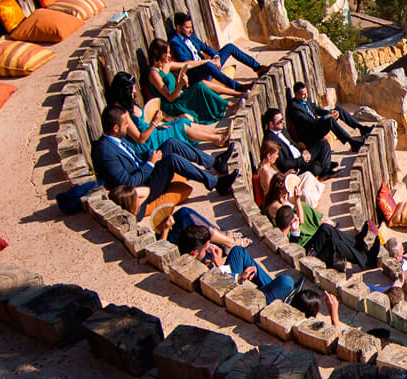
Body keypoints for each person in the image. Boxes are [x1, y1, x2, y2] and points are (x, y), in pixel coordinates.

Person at [94, 105, 235, 207]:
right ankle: (216, 183)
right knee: (171, 160)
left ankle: (215, 163)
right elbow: (129, 183)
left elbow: (134, 157)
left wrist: (150, 156)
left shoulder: (115, 139)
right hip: (145, 186)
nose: (128, 128)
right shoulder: (106, 153)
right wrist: (150, 164)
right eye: (125, 124)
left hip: (144, 169)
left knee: (171, 143)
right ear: (116, 128)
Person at [171, 223, 309, 307]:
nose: (210, 249)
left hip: (225, 283)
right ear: (195, 252)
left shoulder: (188, 259)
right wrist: (235, 275)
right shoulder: (195, 269)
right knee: (286, 281)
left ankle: (274, 289)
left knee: (238, 251)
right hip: (236, 299)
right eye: (206, 248)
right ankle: (279, 294)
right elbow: (219, 287)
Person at [168, 12, 265, 91]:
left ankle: (258, 68)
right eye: (187, 27)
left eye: (191, 27)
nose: (191, 30)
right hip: (196, 73)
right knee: (208, 65)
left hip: (208, 65)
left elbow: (205, 47)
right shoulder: (175, 42)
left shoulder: (190, 35)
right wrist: (209, 62)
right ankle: (239, 87)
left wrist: (216, 57)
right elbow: (188, 64)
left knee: (229, 47)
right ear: (178, 27)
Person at [147, 38, 233, 124]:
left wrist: (207, 61)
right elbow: (169, 98)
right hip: (171, 105)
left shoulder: (166, 65)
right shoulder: (154, 74)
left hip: (179, 96)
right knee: (199, 86)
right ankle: (229, 105)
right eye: (166, 53)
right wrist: (180, 85)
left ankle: (228, 104)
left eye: (169, 52)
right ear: (157, 53)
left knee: (199, 85)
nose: (169, 55)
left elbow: (187, 64)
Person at [288, 82, 370, 150]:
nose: (305, 96)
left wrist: (330, 112)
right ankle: (351, 142)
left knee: (338, 110)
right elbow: (310, 122)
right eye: (303, 94)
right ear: (296, 94)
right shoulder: (294, 107)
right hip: (310, 133)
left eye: (306, 93)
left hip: (316, 125)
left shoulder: (306, 99)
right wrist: (326, 117)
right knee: (329, 120)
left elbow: (318, 110)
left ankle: (362, 128)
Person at [255, 138, 328, 213]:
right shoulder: (265, 172)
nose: (277, 157)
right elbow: (272, 192)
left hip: (283, 186)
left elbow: (276, 179)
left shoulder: (269, 165)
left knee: (307, 175)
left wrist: (285, 175)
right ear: (269, 155)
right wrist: (285, 185)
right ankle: (313, 206)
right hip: (283, 194)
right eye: (276, 154)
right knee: (305, 194)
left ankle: (315, 197)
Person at [263, 107, 334, 177]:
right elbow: (284, 164)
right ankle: (324, 168)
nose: (283, 122)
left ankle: (324, 168)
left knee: (324, 144)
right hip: (296, 165)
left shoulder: (282, 130)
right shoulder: (270, 141)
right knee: (315, 168)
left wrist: (304, 151)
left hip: (300, 156)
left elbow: (293, 144)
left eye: (282, 119)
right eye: (279, 121)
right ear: (271, 124)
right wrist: (301, 159)